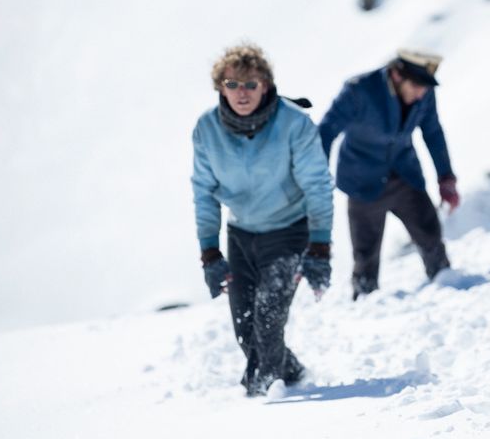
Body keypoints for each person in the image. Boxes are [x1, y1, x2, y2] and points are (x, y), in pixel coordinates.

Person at [191, 43, 334, 396]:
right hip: (241, 234)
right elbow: (203, 192)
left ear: (266, 86)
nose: (242, 93)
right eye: (232, 84)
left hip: (290, 232)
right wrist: (209, 251)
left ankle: (262, 399)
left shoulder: (294, 124)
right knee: (246, 330)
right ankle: (293, 372)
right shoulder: (207, 130)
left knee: (268, 321)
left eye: (251, 84)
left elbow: (317, 186)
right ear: (220, 87)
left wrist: (319, 246)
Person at [319, 50, 460, 300]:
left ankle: (446, 285)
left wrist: (446, 178)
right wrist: (316, 179)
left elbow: (433, 132)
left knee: (430, 234)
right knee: (366, 254)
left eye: (425, 87)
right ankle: (365, 302)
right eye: (416, 85)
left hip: (405, 175)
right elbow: (326, 131)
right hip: (363, 182)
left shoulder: (424, 93)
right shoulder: (358, 91)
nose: (421, 93)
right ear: (396, 74)